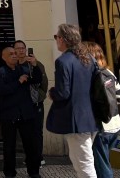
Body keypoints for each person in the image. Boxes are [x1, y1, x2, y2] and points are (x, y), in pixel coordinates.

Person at [47, 23, 98, 178]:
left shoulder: (63, 61)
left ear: (63, 39)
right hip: (91, 117)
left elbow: (63, 93)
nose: (56, 40)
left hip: (76, 121)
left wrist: (52, 92)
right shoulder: (89, 58)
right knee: (81, 161)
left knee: (83, 164)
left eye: (57, 37)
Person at [0, 46, 42, 178]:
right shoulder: (1, 72)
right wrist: (18, 81)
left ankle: (33, 171)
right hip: (9, 114)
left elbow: (37, 80)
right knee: (9, 146)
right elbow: (2, 90)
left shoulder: (23, 69)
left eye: (15, 53)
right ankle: (9, 173)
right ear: (4, 57)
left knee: (30, 145)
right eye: (11, 54)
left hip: (26, 113)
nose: (15, 55)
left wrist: (35, 65)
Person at [85, 42, 120, 178]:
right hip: (116, 124)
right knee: (104, 161)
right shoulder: (109, 72)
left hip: (101, 127)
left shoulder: (92, 76)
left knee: (102, 165)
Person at [14, 40, 48, 163]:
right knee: (24, 132)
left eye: (23, 48)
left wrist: (40, 95)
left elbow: (43, 82)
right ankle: (29, 156)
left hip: (35, 102)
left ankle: (38, 157)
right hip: (21, 104)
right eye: (18, 48)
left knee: (36, 131)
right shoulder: (14, 65)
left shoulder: (35, 64)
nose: (21, 50)